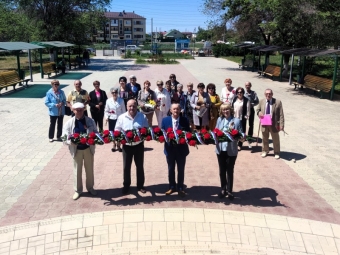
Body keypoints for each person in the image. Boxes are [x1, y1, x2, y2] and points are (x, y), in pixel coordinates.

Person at [62, 102, 98, 200]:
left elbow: (96, 132)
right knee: (77, 170)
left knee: (89, 170)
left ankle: (90, 187)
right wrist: (71, 142)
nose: (79, 112)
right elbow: (64, 137)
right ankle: (78, 190)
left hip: (88, 149)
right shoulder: (69, 123)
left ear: (84, 110)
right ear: (73, 111)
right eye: (77, 110)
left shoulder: (90, 121)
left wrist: (94, 138)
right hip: (76, 150)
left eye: (81, 110)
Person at [115, 99, 149, 194]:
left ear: (137, 106)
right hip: (126, 146)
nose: (132, 108)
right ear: (126, 106)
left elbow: (146, 129)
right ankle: (126, 185)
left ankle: (140, 185)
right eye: (130, 106)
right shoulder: (121, 117)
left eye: (134, 106)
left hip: (139, 146)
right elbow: (117, 130)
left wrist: (143, 135)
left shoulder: (142, 116)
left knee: (139, 166)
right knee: (126, 167)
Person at [161, 103, 191, 197]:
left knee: (181, 169)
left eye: (177, 109)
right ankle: (172, 186)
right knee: (171, 169)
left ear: (180, 110)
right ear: (170, 110)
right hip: (170, 149)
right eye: (174, 109)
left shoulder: (185, 120)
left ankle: (181, 188)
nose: (176, 111)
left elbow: (189, 133)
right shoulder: (165, 120)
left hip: (181, 150)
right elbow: (162, 133)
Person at [215, 103, 244, 200]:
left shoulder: (236, 121)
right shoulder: (219, 120)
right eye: (223, 110)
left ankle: (230, 191)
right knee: (222, 171)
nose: (225, 111)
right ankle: (223, 189)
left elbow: (241, 134)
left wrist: (242, 138)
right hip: (220, 149)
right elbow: (216, 131)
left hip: (231, 150)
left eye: (227, 109)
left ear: (230, 110)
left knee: (230, 171)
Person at [256, 89, 284, 159]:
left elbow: (281, 114)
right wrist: (259, 113)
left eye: (270, 94)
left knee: (275, 139)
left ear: (272, 94)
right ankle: (265, 151)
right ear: (264, 94)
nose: (268, 95)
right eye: (267, 93)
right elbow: (257, 110)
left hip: (273, 124)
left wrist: (281, 125)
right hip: (264, 122)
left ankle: (277, 152)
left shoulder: (278, 102)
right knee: (265, 138)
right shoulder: (261, 101)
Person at [105, 87, 126, 152]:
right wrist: (106, 117)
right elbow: (106, 110)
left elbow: (124, 110)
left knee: (119, 132)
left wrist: (124, 118)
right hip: (111, 118)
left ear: (117, 93)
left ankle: (119, 145)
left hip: (119, 119)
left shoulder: (121, 100)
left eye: (116, 92)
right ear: (111, 93)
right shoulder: (108, 100)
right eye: (113, 92)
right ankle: (114, 145)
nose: (114, 94)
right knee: (112, 132)